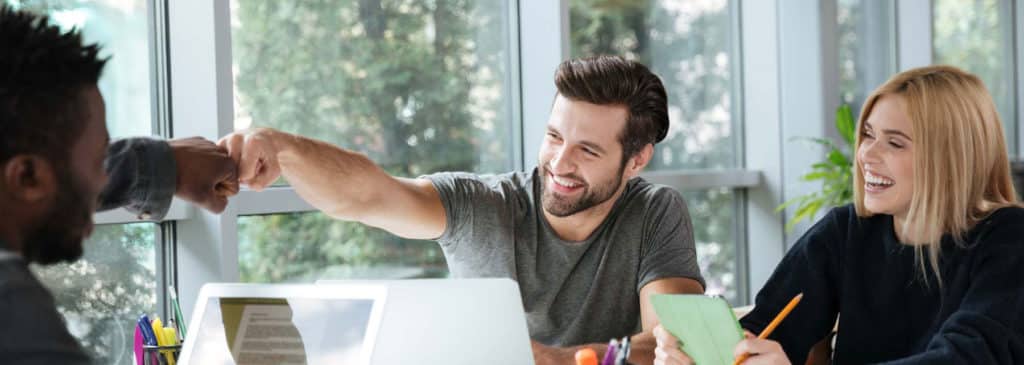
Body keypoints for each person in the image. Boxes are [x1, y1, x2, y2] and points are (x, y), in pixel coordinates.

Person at [219, 55, 705, 364]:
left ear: (637, 159)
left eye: (589, 151)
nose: (560, 162)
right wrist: (282, 149)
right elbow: (367, 194)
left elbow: (673, 341)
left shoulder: (655, 212)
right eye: (554, 136)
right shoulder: (483, 206)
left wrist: (561, 361)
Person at [654, 65, 1024, 364]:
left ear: (951, 159)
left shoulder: (1009, 238)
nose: (866, 155)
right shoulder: (847, 231)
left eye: (894, 143)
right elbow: (765, 329)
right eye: (867, 135)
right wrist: (700, 353)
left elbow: (968, 356)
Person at [0, 5, 237, 363]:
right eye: (99, 160)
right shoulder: (11, 307)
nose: (104, 179)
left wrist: (161, 166)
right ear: (27, 177)